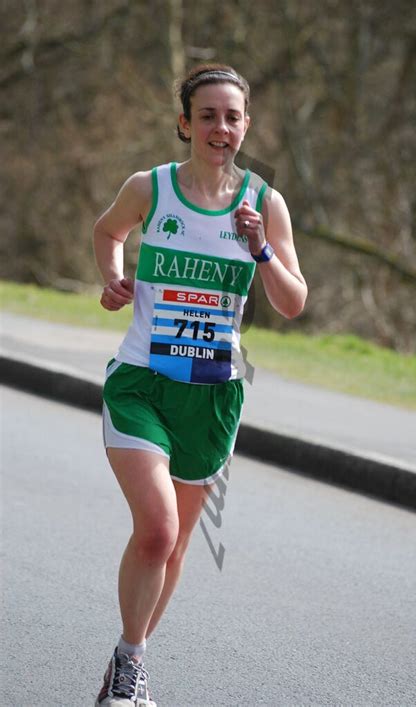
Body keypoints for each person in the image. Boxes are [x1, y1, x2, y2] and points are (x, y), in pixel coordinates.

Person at [92, 63, 307, 706]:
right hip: (141, 382)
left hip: (213, 395)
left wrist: (262, 250)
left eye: (232, 116)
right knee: (156, 529)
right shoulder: (150, 188)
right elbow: (110, 231)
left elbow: (294, 302)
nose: (221, 127)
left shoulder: (265, 205)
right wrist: (113, 276)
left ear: (246, 126)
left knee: (178, 543)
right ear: (186, 124)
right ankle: (132, 668)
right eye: (207, 115)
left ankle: (127, 662)